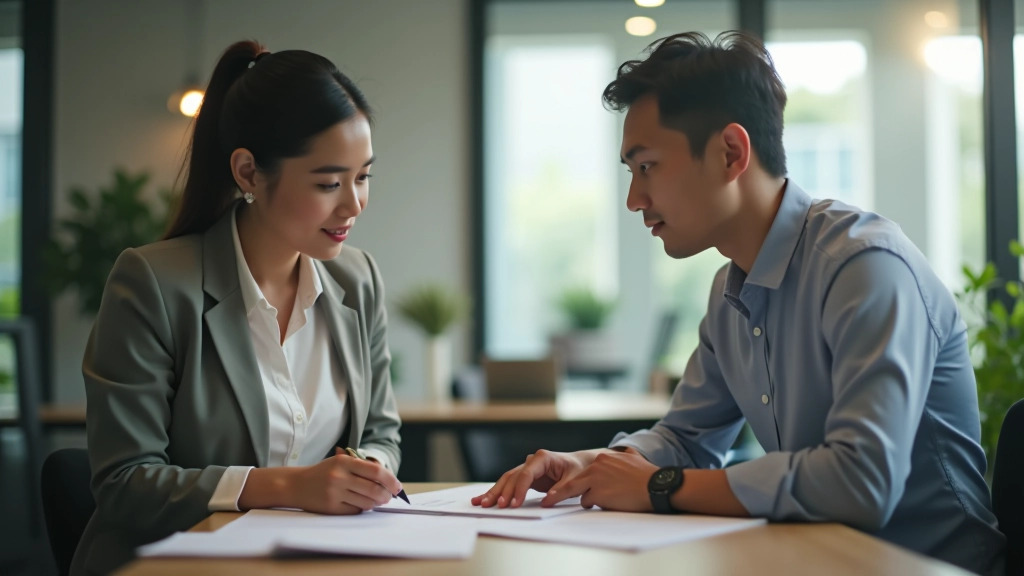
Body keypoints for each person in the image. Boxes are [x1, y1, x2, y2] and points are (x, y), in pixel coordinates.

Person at [472, 31, 1005, 575]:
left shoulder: (864, 267)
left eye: (647, 166)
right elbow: (685, 438)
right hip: (815, 562)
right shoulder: (729, 292)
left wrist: (659, 485)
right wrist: (592, 465)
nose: (634, 199)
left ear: (731, 153)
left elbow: (861, 482)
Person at [71, 40, 403, 576]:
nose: (354, 204)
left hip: (315, 562)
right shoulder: (153, 283)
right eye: (328, 183)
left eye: (362, 176)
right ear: (248, 173)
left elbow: (381, 432)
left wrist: (366, 472)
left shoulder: (357, 279)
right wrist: (289, 486)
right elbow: (125, 482)